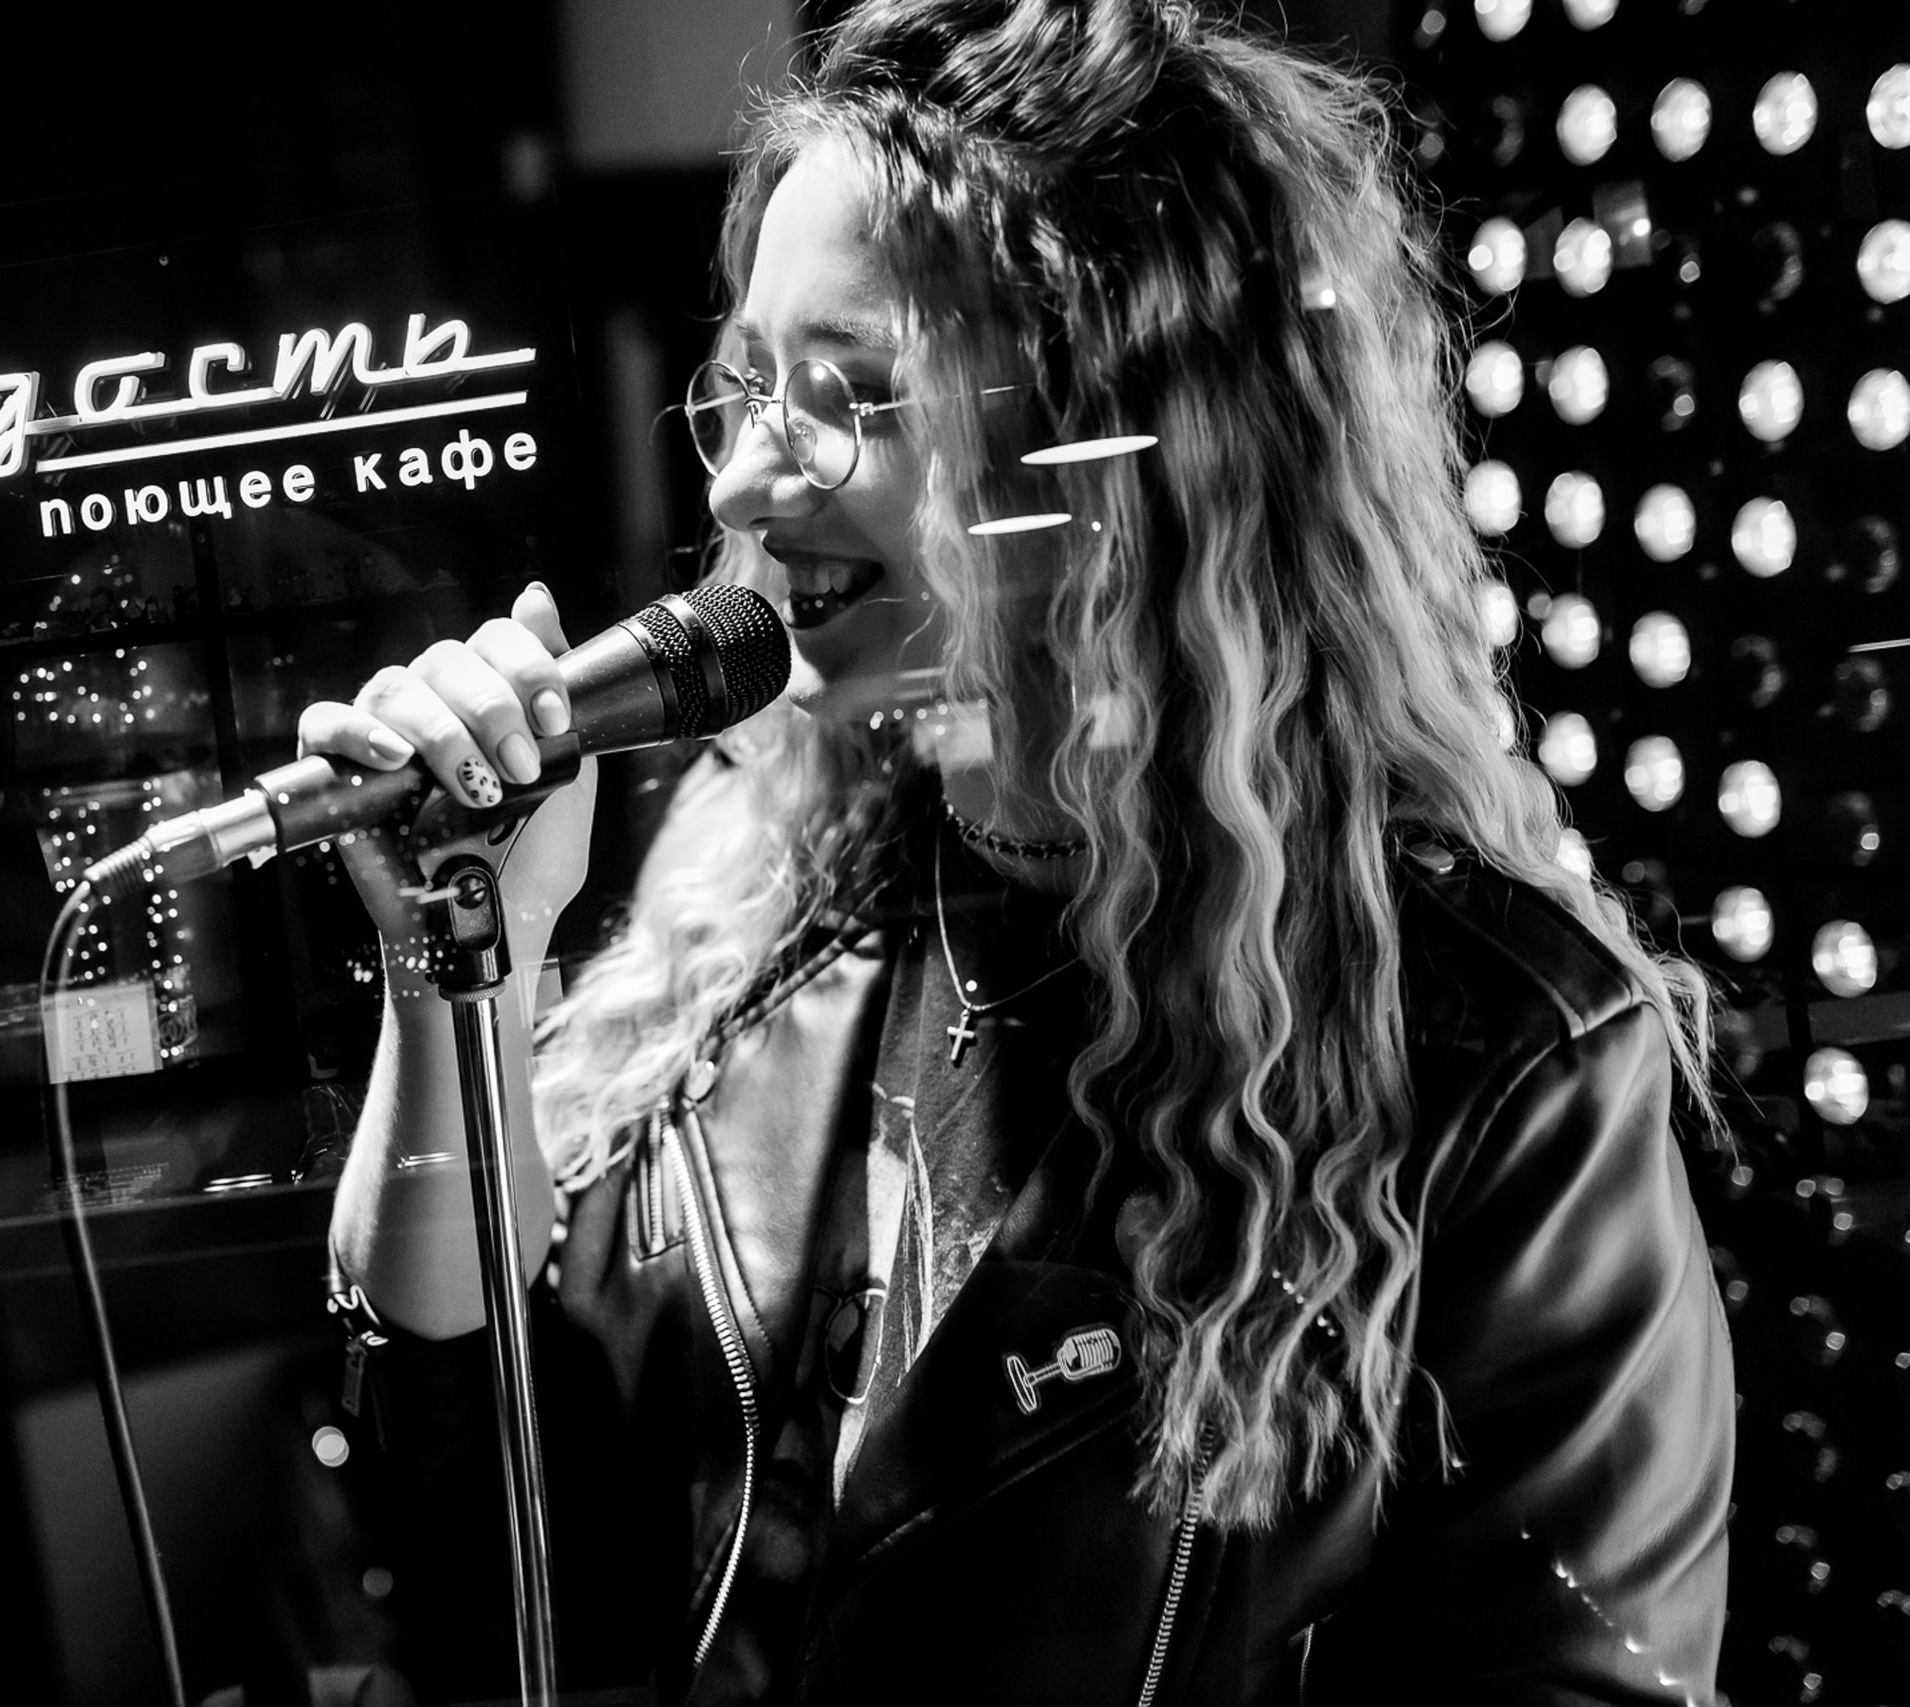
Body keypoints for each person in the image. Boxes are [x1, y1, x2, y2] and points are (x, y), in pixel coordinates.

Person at [303, 2, 1734, 1702]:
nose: (746, 479)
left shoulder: (1499, 1052)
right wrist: (457, 970)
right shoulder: (745, 893)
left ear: (1113, 466)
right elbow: (477, 1512)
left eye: (850, 398)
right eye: (746, 386)